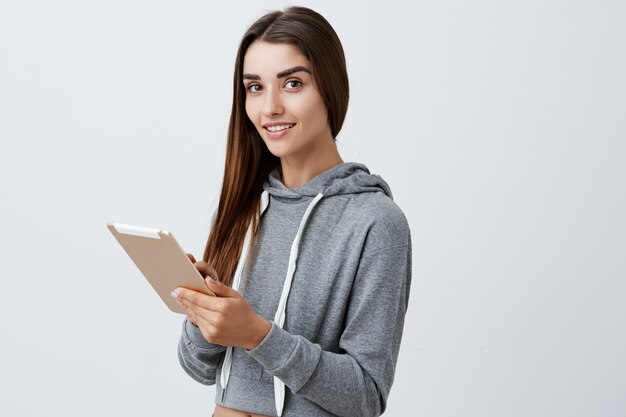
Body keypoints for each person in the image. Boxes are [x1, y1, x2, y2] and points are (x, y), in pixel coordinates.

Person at [171, 6, 412, 417]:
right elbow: (199, 369)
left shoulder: (376, 222)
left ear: (330, 89)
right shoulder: (246, 206)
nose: (270, 108)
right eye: (255, 87)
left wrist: (258, 335)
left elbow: (366, 398)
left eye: (293, 83)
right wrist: (205, 317)